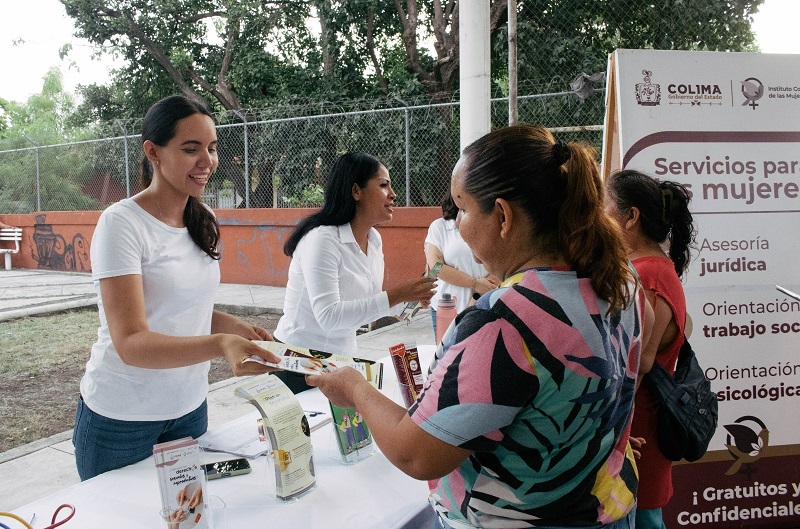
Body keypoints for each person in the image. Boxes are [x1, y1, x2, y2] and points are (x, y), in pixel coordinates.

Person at [309, 125, 648, 528]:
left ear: (503, 216)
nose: (458, 225)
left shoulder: (505, 320)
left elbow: (415, 454)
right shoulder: (621, 280)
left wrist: (354, 389)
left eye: (463, 209)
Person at [73, 95, 281, 481]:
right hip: (122, 418)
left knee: (188, 516)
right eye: (191, 149)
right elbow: (131, 342)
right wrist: (221, 343)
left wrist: (231, 325)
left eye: (212, 148)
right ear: (153, 151)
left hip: (189, 407)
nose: (208, 161)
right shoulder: (121, 224)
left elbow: (182, 307)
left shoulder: (205, 221)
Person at [272, 152, 436, 393]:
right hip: (298, 362)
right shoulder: (323, 240)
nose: (393, 194)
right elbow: (328, 316)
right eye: (383, 185)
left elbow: (366, 305)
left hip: (341, 362)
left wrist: (407, 301)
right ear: (356, 191)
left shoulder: (374, 239)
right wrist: (396, 295)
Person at [606, 169, 696, 529]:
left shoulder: (646, 275)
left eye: (604, 208)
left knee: (641, 517)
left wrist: (612, 431)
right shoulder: (654, 268)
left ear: (631, 217)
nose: (598, 217)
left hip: (637, 427)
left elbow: (640, 362)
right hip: (639, 426)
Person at [424, 189, 498, 338]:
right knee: (446, 357)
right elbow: (436, 267)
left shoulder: (489, 225)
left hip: (481, 305)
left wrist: (477, 295)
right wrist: (474, 283)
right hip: (445, 308)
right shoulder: (439, 227)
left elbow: (500, 261)